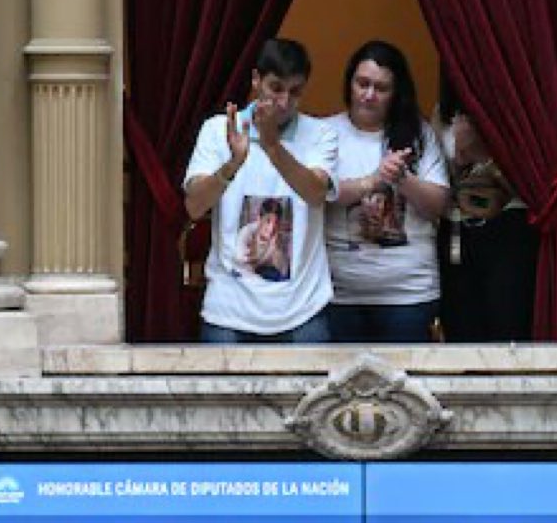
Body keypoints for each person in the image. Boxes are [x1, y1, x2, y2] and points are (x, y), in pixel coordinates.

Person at [183, 38, 339, 343]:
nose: (284, 102)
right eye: (276, 88)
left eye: (295, 92)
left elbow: (315, 193)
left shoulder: (321, 134)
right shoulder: (218, 130)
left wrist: (271, 146)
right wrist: (232, 164)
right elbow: (194, 206)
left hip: (302, 310)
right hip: (228, 310)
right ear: (256, 81)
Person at [324, 40, 450, 342]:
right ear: (349, 83)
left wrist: (403, 179)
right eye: (362, 83)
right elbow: (318, 193)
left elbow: (439, 205)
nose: (368, 95)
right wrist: (375, 179)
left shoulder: (420, 135)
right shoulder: (325, 132)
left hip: (408, 295)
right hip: (338, 295)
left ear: (396, 94)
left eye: (381, 88)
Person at [435, 78, 539, 341]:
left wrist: (483, 155)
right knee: (460, 324)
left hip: (507, 227)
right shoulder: (442, 114)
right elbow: (437, 183)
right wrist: (459, 158)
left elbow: (532, 186)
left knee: (508, 323)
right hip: (457, 228)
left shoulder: (515, 109)